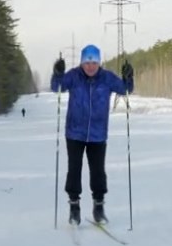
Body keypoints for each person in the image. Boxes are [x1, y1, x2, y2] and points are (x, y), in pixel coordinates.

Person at [50, 44, 134, 225]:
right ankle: (74, 207)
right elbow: (56, 87)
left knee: (98, 172)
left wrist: (129, 77)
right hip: (74, 133)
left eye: (94, 62)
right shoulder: (73, 76)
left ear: (99, 63)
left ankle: (98, 207)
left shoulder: (107, 78)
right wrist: (57, 73)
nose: (90, 66)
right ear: (81, 63)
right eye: (87, 63)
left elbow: (125, 90)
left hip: (98, 134)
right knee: (74, 170)